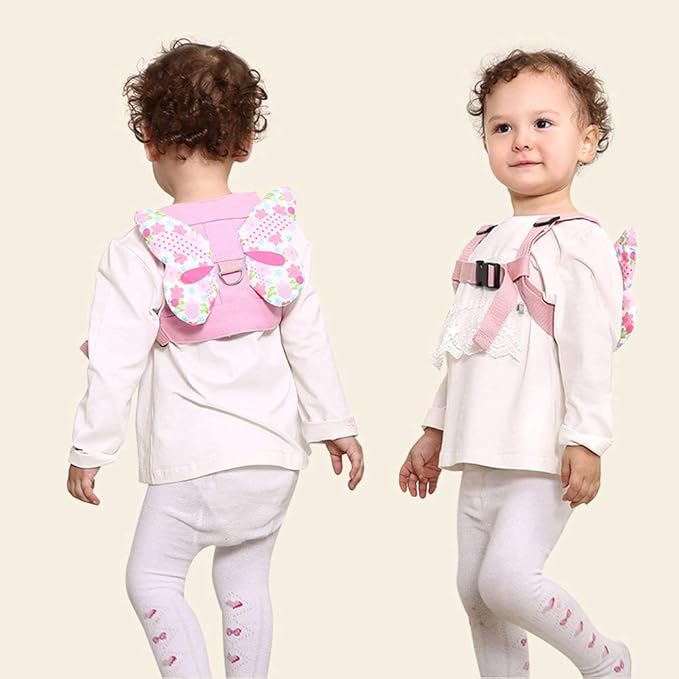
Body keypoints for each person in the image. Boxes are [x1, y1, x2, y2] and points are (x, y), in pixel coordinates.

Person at [66, 38, 364, 679]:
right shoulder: (279, 234)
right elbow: (309, 339)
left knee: (151, 579)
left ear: (148, 139)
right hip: (274, 458)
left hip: (194, 461)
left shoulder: (139, 249)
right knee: (244, 581)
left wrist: (91, 448)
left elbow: (115, 362)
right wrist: (335, 425)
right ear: (245, 143)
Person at [399, 49, 632, 678]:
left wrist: (587, 438)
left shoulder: (579, 242)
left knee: (508, 581)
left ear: (587, 142)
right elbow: (466, 346)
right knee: (475, 592)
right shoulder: (484, 240)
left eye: (542, 123)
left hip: (537, 451)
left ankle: (607, 662)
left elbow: (590, 351)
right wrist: (435, 428)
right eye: (503, 127)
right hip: (480, 449)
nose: (521, 140)